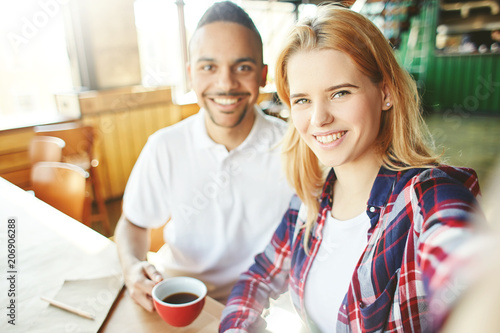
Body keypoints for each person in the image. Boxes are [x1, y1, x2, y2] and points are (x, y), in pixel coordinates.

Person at [220, 4, 483, 332]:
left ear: (385, 92)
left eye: (340, 93)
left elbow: (470, 280)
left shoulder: (428, 196)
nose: (319, 119)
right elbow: (258, 276)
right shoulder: (312, 199)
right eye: (302, 100)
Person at [114, 1, 293, 312]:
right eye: (209, 67)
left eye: (243, 67)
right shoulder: (164, 146)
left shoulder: (293, 147)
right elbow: (134, 222)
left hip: (266, 307)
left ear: (263, 75)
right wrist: (132, 266)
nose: (225, 83)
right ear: (191, 75)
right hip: (181, 303)